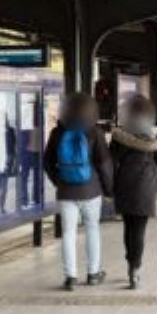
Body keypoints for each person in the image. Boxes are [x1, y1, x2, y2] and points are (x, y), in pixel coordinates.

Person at [44, 93, 112, 291]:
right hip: (91, 190)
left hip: (66, 191)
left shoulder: (57, 133)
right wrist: (108, 188)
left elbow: (47, 162)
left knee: (68, 233)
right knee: (92, 229)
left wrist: (59, 181)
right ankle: (93, 273)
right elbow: (104, 163)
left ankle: (70, 277)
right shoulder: (95, 132)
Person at [110, 97, 157, 289]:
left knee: (128, 226)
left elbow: (112, 161)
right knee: (139, 229)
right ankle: (135, 268)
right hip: (145, 184)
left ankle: (130, 262)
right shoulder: (155, 135)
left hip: (124, 183)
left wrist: (110, 185)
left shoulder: (120, 135)